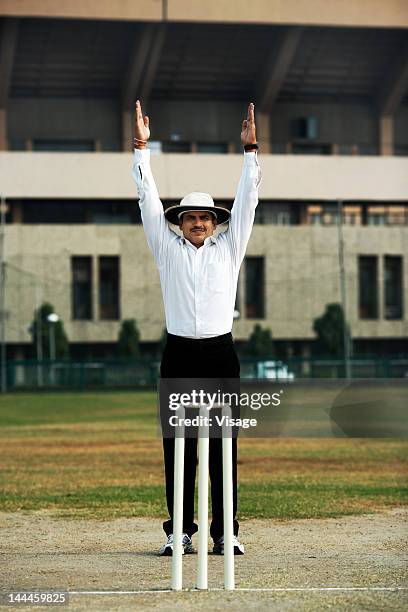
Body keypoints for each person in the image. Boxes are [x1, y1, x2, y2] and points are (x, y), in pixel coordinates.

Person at [132, 99, 261, 556]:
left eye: (205, 218)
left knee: (225, 445)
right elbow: (148, 202)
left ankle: (225, 531)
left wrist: (250, 153)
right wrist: (142, 148)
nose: (199, 224)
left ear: (215, 222)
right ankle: (180, 532)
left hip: (220, 353)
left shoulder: (230, 249)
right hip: (180, 354)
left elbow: (247, 203)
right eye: (190, 218)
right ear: (180, 223)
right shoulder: (167, 250)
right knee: (179, 447)